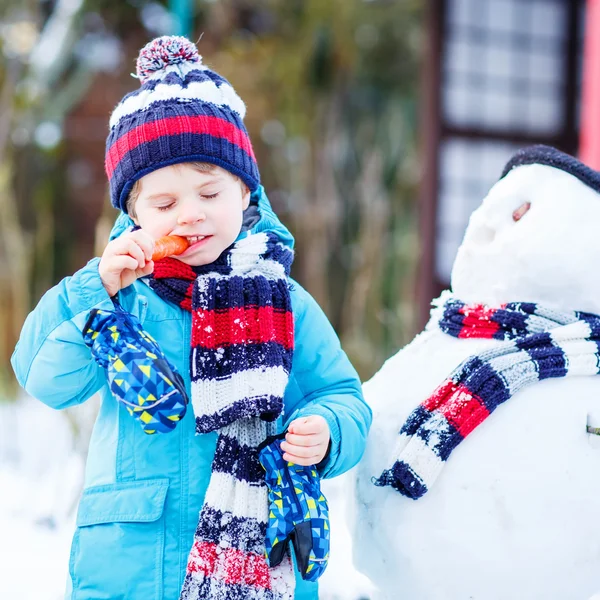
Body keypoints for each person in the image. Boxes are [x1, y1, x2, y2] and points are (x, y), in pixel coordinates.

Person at [11, 35, 371, 600]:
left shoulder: (284, 302)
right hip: (132, 563)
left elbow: (344, 395)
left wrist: (327, 431)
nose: (193, 214)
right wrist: (92, 289)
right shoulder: (116, 298)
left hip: (258, 553)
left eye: (210, 192)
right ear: (134, 214)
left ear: (245, 194)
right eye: (165, 204)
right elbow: (44, 379)